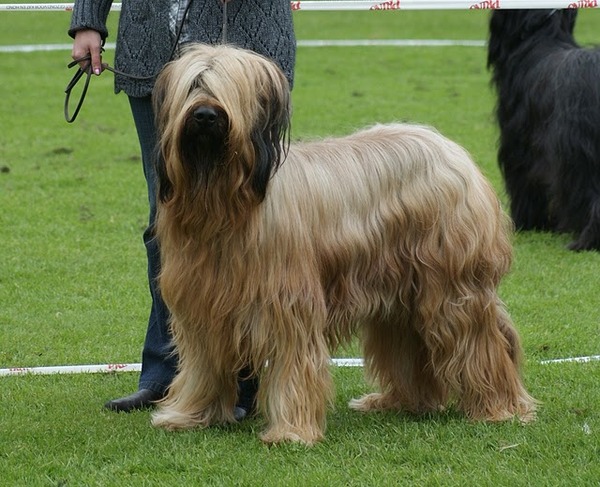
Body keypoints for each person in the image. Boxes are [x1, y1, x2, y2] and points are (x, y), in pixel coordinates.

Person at [68, 0, 296, 416]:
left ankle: (240, 381)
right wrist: (88, 20)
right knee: (169, 220)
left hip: (248, 56)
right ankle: (163, 375)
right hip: (154, 48)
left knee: (249, 223)